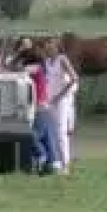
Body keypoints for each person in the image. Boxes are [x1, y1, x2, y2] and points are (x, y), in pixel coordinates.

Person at [18, 46, 59, 175]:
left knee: (32, 135)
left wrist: (17, 56)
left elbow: (19, 71)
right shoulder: (41, 68)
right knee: (47, 137)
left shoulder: (35, 68)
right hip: (44, 107)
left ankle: (41, 155)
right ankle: (50, 164)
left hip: (39, 108)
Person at [47, 43, 80, 174]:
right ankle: (57, 161)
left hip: (62, 100)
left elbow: (74, 78)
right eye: (46, 47)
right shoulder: (48, 61)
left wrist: (60, 95)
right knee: (53, 131)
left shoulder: (62, 59)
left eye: (51, 46)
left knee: (61, 131)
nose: (48, 49)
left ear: (56, 48)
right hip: (51, 100)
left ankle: (65, 164)